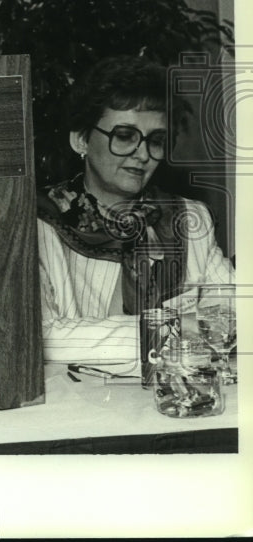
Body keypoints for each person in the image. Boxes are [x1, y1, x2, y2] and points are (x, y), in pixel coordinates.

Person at [36, 55, 234, 367]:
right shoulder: (38, 222)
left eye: (156, 141)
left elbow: (234, 313)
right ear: (81, 140)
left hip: (174, 402)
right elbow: (44, 338)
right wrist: (177, 329)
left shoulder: (189, 218)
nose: (142, 154)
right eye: (124, 136)